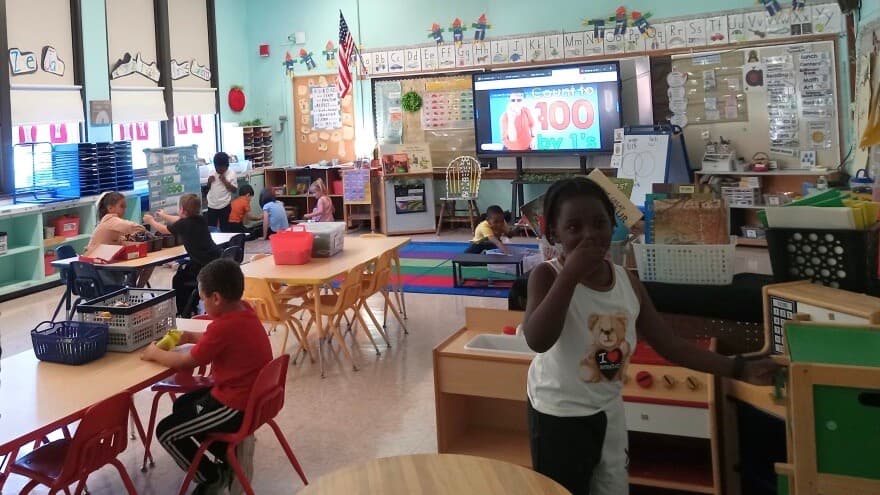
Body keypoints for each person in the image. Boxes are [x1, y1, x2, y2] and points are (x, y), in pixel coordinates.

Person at [520, 177, 779, 495]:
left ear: (613, 224)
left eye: (599, 223)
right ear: (553, 233)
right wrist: (570, 276)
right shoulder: (546, 276)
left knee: (612, 486)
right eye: (573, 227)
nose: (589, 235)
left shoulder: (626, 281)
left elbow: (670, 345)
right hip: (558, 416)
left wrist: (738, 368)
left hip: (608, 409)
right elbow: (538, 339)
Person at [141, 258, 272, 495]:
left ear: (216, 298)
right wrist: (191, 336)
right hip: (249, 395)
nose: (201, 304)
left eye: (202, 299)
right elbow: (221, 343)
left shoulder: (223, 327)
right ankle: (228, 455)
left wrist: (154, 353)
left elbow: (185, 362)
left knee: (167, 432)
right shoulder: (242, 311)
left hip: (235, 405)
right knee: (182, 405)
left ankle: (212, 477)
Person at [144, 194, 220, 314]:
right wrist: (163, 215)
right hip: (214, 261)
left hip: (202, 266)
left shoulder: (184, 224)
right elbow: (179, 220)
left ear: (182, 210)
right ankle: (192, 306)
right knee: (183, 273)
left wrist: (151, 221)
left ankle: (184, 310)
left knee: (179, 279)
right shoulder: (200, 219)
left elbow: (164, 230)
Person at [84, 191, 151, 287]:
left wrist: (133, 237)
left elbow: (122, 239)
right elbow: (137, 228)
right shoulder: (111, 220)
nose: (125, 210)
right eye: (122, 206)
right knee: (146, 263)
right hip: (99, 267)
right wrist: (147, 231)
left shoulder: (108, 223)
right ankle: (135, 290)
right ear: (110, 208)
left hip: (98, 264)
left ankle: (134, 290)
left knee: (144, 262)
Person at [206, 152, 237, 232]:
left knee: (225, 228)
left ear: (226, 166)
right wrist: (209, 182)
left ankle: (225, 244)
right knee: (211, 228)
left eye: (221, 168)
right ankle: (213, 244)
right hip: (212, 205)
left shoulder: (231, 173)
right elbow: (208, 188)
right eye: (217, 168)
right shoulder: (212, 172)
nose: (218, 170)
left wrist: (225, 181)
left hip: (224, 205)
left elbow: (234, 190)